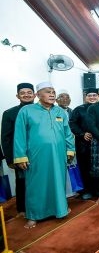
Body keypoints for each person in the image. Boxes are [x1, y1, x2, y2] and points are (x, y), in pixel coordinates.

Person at [14, 82, 75, 228]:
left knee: (58, 182)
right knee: (35, 184)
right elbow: (19, 135)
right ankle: (34, 215)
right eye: (48, 92)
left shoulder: (60, 112)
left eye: (53, 91)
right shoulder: (27, 111)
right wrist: (21, 156)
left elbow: (68, 133)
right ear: (38, 95)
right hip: (36, 156)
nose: (52, 94)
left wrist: (70, 149)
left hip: (59, 155)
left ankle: (60, 209)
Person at [1, 83, 35, 216]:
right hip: (20, 155)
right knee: (22, 181)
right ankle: (22, 208)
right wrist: (10, 158)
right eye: (23, 93)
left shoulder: (43, 110)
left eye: (29, 92)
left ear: (34, 94)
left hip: (40, 153)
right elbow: (6, 138)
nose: (26, 95)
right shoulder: (10, 113)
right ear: (17, 95)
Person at [69, 88, 99, 200]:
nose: (92, 97)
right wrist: (82, 134)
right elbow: (72, 124)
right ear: (85, 97)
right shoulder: (79, 109)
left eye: (94, 95)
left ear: (98, 96)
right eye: (90, 95)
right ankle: (86, 190)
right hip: (83, 145)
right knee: (85, 168)